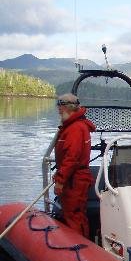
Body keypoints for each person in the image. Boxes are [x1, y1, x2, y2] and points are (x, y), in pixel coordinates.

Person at [53, 93, 96, 238]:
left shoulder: (75, 129)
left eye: (59, 106)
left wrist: (60, 180)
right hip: (74, 178)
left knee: (74, 216)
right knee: (75, 214)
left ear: (65, 107)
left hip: (75, 180)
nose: (58, 110)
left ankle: (80, 248)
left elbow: (71, 158)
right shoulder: (76, 126)